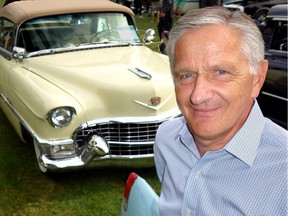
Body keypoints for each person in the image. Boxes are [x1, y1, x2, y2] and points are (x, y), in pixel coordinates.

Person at [154, 6, 287, 216]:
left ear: (258, 78)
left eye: (220, 72)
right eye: (186, 75)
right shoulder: (167, 139)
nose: (198, 95)